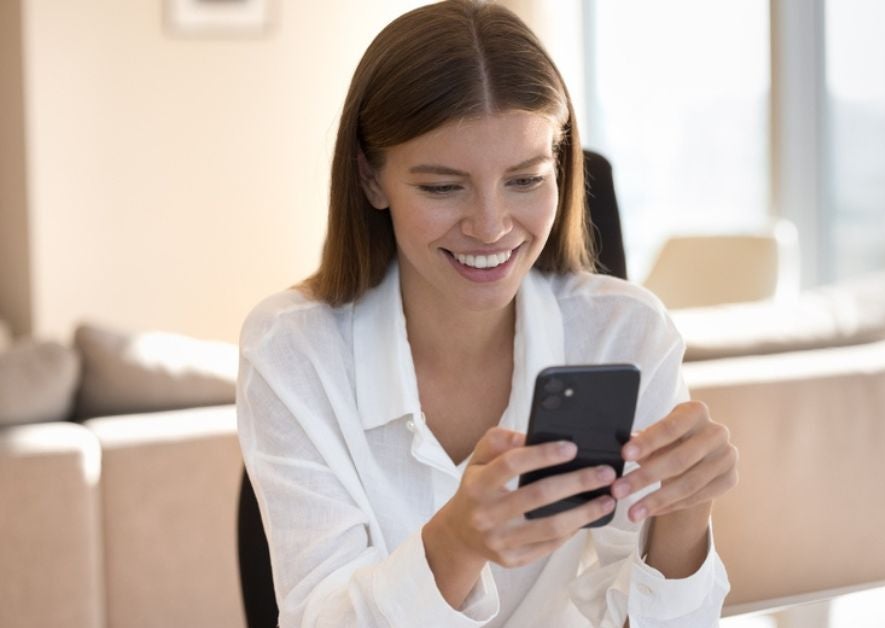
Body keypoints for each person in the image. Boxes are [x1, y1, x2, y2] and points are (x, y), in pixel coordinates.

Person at [236, 1, 738, 625]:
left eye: (525, 180)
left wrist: (684, 514)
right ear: (370, 178)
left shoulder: (627, 333)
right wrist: (455, 545)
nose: (492, 226)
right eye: (443, 188)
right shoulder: (293, 348)